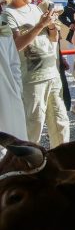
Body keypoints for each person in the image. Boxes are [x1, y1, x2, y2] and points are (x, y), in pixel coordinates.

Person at [0, 0, 69, 147]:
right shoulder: (8, 15)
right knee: (33, 128)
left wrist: (52, 26)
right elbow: (15, 46)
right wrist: (40, 25)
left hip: (52, 75)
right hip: (31, 80)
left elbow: (53, 38)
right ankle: (28, 169)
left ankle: (60, 166)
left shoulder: (36, 8)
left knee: (61, 125)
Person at [0, 16, 28, 157]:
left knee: (12, 148)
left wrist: (17, 91)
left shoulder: (3, 30)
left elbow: (14, 64)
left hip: (8, 97)